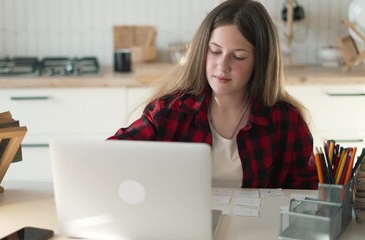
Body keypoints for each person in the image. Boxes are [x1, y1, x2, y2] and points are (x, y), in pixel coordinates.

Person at [108, 0, 318, 189]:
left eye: (238, 56)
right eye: (215, 51)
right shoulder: (168, 113)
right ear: (202, 51)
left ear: (260, 63)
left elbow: (306, 194)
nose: (222, 66)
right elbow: (109, 156)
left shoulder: (287, 121)